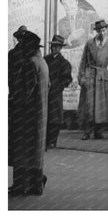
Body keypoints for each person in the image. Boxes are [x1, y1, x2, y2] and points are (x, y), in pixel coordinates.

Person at [9, 31, 50, 196]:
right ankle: (36, 184)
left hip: (26, 115)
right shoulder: (42, 63)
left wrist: (11, 103)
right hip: (39, 115)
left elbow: (23, 92)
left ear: (28, 47)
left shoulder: (30, 64)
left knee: (21, 150)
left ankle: (20, 185)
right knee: (35, 150)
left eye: (23, 45)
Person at [77, 20, 108, 140]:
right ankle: (87, 131)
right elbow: (84, 61)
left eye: (104, 30)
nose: (101, 33)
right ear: (96, 31)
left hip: (102, 77)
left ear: (107, 30)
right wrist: (81, 77)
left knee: (100, 106)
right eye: (99, 30)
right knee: (88, 105)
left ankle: (98, 131)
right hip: (90, 76)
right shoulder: (90, 43)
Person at [44, 35, 73, 149]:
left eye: (56, 46)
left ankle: (52, 141)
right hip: (45, 92)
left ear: (61, 48)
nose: (54, 48)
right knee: (45, 116)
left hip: (55, 93)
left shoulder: (64, 63)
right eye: (52, 46)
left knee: (54, 118)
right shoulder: (45, 59)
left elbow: (67, 79)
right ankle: (45, 140)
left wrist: (58, 86)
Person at [8, 25, 28, 166]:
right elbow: (8, 71)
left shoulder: (29, 53)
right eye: (20, 37)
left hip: (25, 89)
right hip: (14, 87)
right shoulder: (12, 53)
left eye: (23, 37)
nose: (21, 40)